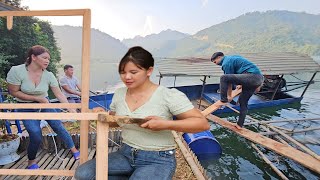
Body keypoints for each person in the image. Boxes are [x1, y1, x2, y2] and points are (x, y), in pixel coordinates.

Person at [75, 46, 210, 180]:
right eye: (122, 72)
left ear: (149, 71)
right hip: (126, 153)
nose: (127, 77)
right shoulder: (119, 94)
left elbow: (202, 124)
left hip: (158, 158)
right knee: (83, 174)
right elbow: (115, 121)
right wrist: (103, 115)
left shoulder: (168, 95)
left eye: (133, 72)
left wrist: (165, 124)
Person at [6, 45, 80, 169]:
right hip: (25, 107)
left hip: (45, 104)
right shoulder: (17, 71)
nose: (47, 61)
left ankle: (73, 149)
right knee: (35, 134)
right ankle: (31, 162)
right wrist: (37, 98)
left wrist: (71, 109)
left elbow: (59, 94)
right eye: (44, 58)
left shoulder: (49, 75)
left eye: (49, 59)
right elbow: (13, 92)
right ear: (33, 57)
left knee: (58, 126)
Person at [211, 52, 264, 129]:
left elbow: (228, 81)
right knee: (243, 102)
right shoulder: (233, 57)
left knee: (223, 78)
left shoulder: (226, 62)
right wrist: (242, 83)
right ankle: (239, 125)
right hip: (257, 79)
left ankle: (223, 99)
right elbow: (245, 69)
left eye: (215, 62)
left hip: (251, 77)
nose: (216, 64)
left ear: (219, 57)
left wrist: (229, 96)